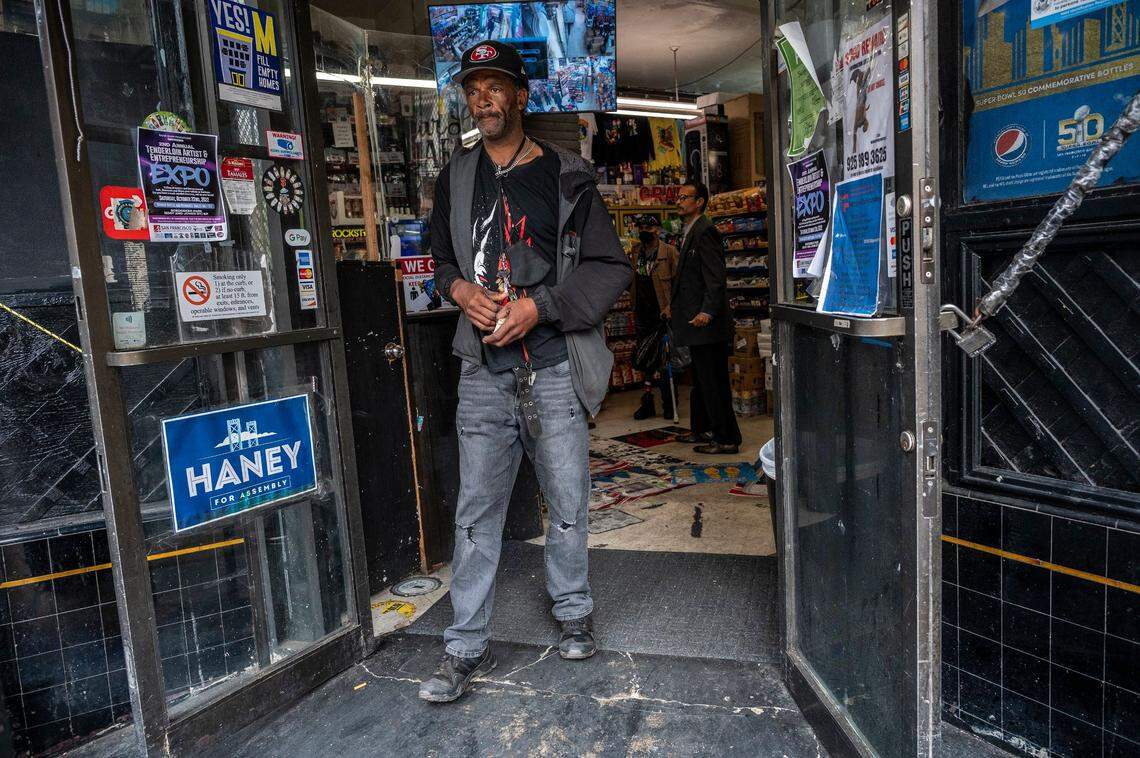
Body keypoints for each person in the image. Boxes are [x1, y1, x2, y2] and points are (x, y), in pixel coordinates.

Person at [421, 40, 631, 703]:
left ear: (520, 96)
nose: (482, 99)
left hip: (554, 369)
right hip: (483, 374)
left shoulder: (567, 177)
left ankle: (573, 613)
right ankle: (463, 646)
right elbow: (439, 260)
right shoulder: (455, 177)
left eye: (494, 86)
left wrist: (540, 307)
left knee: (566, 502)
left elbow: (609, 267)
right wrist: (460, 291)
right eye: (472, 89)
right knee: (477, 511)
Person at [670, 181, 741, 454]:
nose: (679, 201)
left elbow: (715, 278)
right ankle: (702, 429)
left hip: (707, 324)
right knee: (700, 381)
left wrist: (707, 311)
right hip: (694, 322)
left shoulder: (706, 230)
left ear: (699, 201)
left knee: (713, 381)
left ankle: (726, 438)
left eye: (684, 197)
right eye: (678, 197)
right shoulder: (690, 230)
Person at [631, 215, 679, 420]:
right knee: (645, 361)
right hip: (642, 314)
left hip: (662, 315)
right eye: (641, 227)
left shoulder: (669, 252)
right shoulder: (636, 252)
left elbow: (680, 284)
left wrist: (670, 307)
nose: (644, 230)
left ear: (658, 230)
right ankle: (648, 403)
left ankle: (669, 403)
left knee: (666, 360)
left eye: (648, 227)